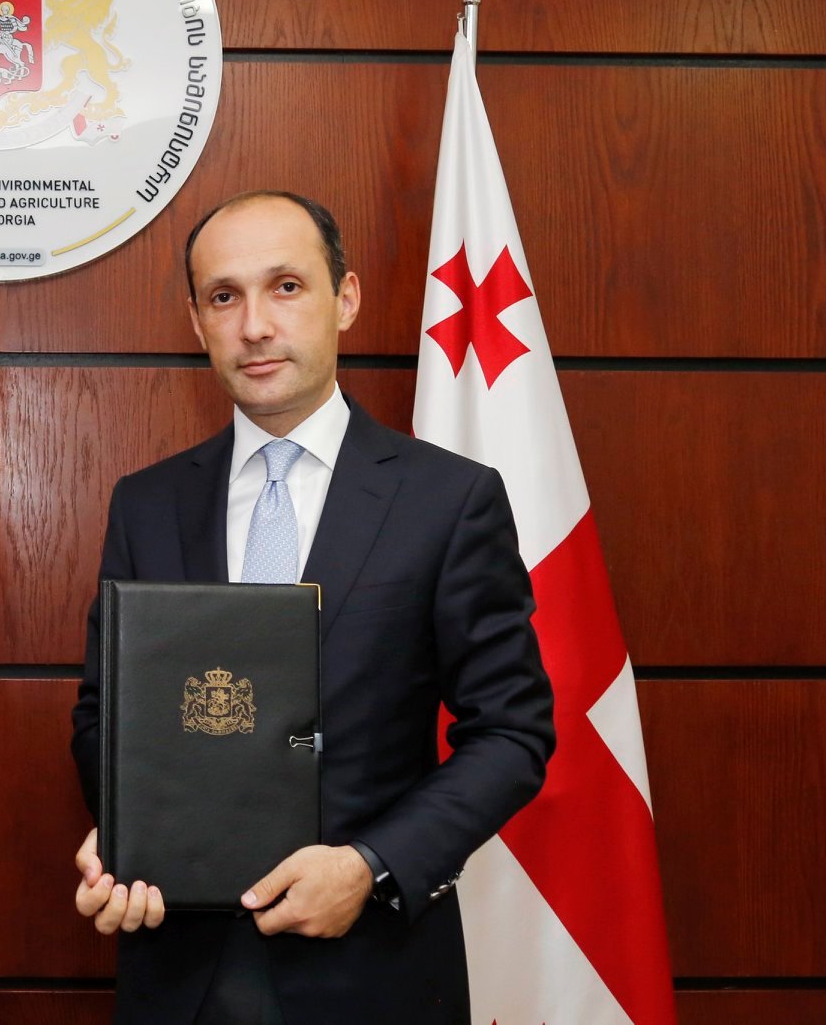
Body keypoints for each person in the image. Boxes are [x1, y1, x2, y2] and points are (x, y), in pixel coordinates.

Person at [68, 191, 554, 1023]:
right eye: (224, 296)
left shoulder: (448, 501)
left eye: (286, 286)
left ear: (346, 298)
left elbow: (512, 733)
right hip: (178, 972)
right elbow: (102, 717)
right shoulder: (146, 504)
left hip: (373, 973)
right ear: (197, 321)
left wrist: (371, 865)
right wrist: (126, 834)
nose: (255, 325)